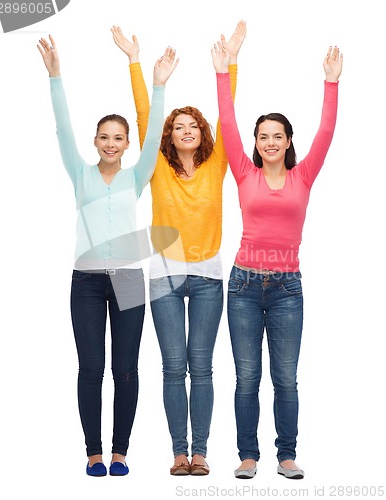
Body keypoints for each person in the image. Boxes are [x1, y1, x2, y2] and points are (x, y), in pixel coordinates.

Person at [37, 34, 178, 477]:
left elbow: (156, 135)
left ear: (127, 142)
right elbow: (61, 124)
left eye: (119, 137)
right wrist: (55, 76)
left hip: (129, 281)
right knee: (91, 369)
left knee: (126, 370)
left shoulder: (137, 176)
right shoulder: (81, 174)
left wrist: (157, 84)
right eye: (105, 137)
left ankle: (120, 452)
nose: (111, 143)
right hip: (86, 280)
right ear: (95, 141)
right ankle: (93, 452)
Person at [111, 21, 246, 475]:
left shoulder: (218, 164)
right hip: (164, 278)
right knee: (173, 369)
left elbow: (229, 116)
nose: (185, 130)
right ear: (167, 137)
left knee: (202, 369)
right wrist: (140, 68)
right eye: (177, 127)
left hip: (208, 278)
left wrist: (228, 65)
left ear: (202, 133)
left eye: (193, 126)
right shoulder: (157, 169)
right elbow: (146, 119)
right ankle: (178, 453)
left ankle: (202, 453)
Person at [211, 41, 343, 479]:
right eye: (263, 136)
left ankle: (286, 455)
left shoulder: (303, 175)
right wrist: (223, 73)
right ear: (255, 143)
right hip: (245, 285)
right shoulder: (243, 172)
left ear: (288, 142)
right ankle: (248, 456)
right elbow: (226, 123)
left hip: (287, 288)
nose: (270, 142)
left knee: (285, 378)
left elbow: (325, 131)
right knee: (247, 377)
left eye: (277, 136)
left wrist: (331, 82)